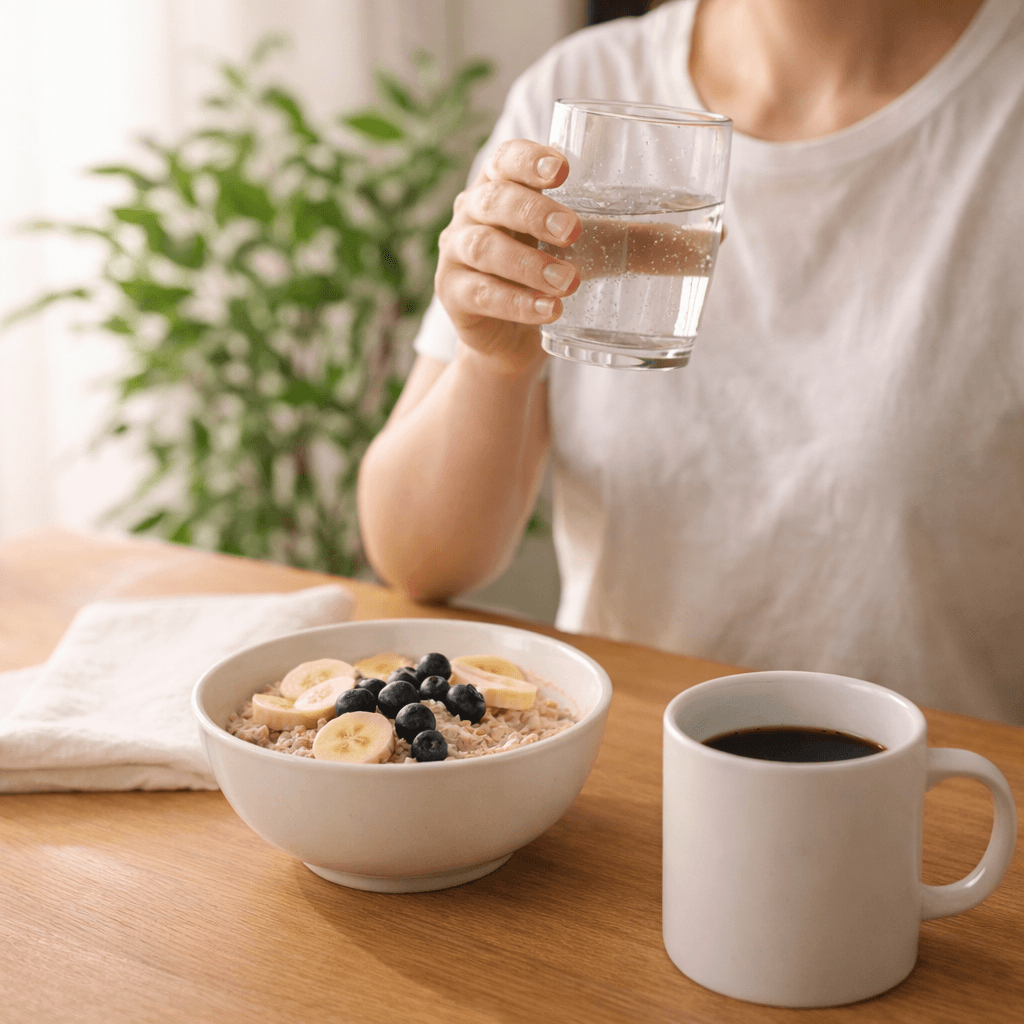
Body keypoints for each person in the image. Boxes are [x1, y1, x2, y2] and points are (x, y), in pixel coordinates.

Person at [357, 0, 1024, 725]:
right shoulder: (586, 84)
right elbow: (419, 559)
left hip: (937, 792)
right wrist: (493, 363)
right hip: (632, 776)